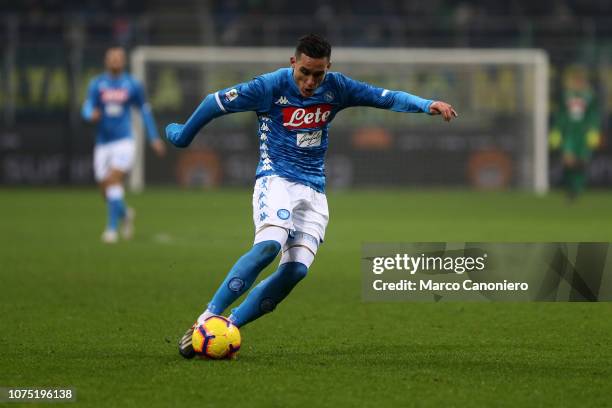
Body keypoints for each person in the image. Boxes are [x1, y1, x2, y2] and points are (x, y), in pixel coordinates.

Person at [165, 34, 457, 358]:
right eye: (305, 72)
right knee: (268, 246)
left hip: (313, 189)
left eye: (318, 74)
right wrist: (182, 135)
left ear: (328, 68)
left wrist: (426, 105)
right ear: (294, 63)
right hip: (275, 178)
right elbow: (213, 102)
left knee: (296, 271)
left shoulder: (338, 87)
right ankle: (205, 320)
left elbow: (385, 98)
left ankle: (228, 326)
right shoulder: (269, 86)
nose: (310, 81)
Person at [82, 47, 166, 243]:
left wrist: (153, 137)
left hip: (124, 141)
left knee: (113, 180)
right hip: (103, 143)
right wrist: (89, 114)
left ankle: (111, 229)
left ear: (124, 61)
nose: (115, 61)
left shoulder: (132, 85)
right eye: (111, 58)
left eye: (118, 58)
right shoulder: (97, 84)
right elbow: (87, 106)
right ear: (106, 61)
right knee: (104, 188)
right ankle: (126, 214)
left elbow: (144, 111)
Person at [549, 66, 601, 200]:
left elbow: (594, 115)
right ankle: (571, 188)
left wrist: (594, 130)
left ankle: (577, 189)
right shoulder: (566, 95)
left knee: (582, 162)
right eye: (574, 80)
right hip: (569, 133)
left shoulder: (590, 96)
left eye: (579, 80)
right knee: (568, 161)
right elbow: (560, 114)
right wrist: (557, 130)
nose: (576, 83)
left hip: (583, 133)